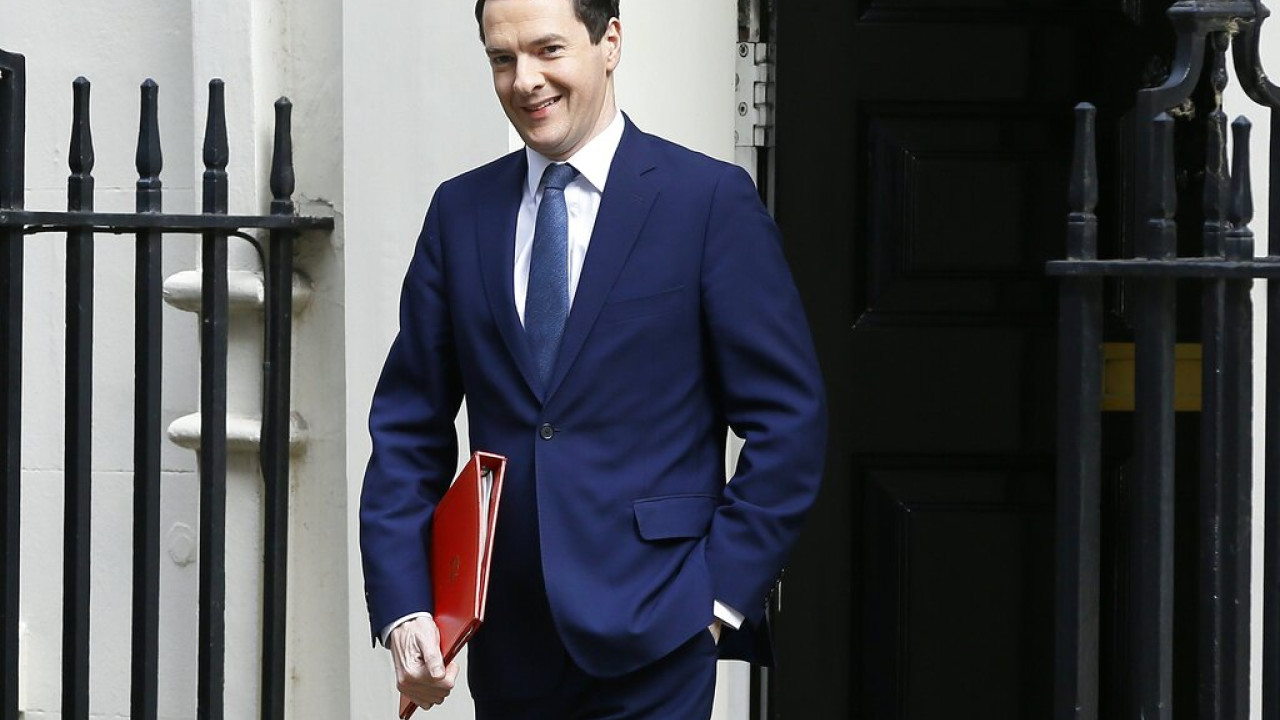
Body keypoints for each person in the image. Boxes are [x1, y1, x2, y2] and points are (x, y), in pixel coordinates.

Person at [359, 0, 826, 717]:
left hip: (659, 634)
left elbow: (789, 421)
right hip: (510, 646)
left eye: (548, 50)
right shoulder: (460, 213)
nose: (524, 80)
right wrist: (406, 607)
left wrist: (715, 599)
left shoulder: (707, 202)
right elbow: (407, 427)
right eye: (502, 58)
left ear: (610, 42)